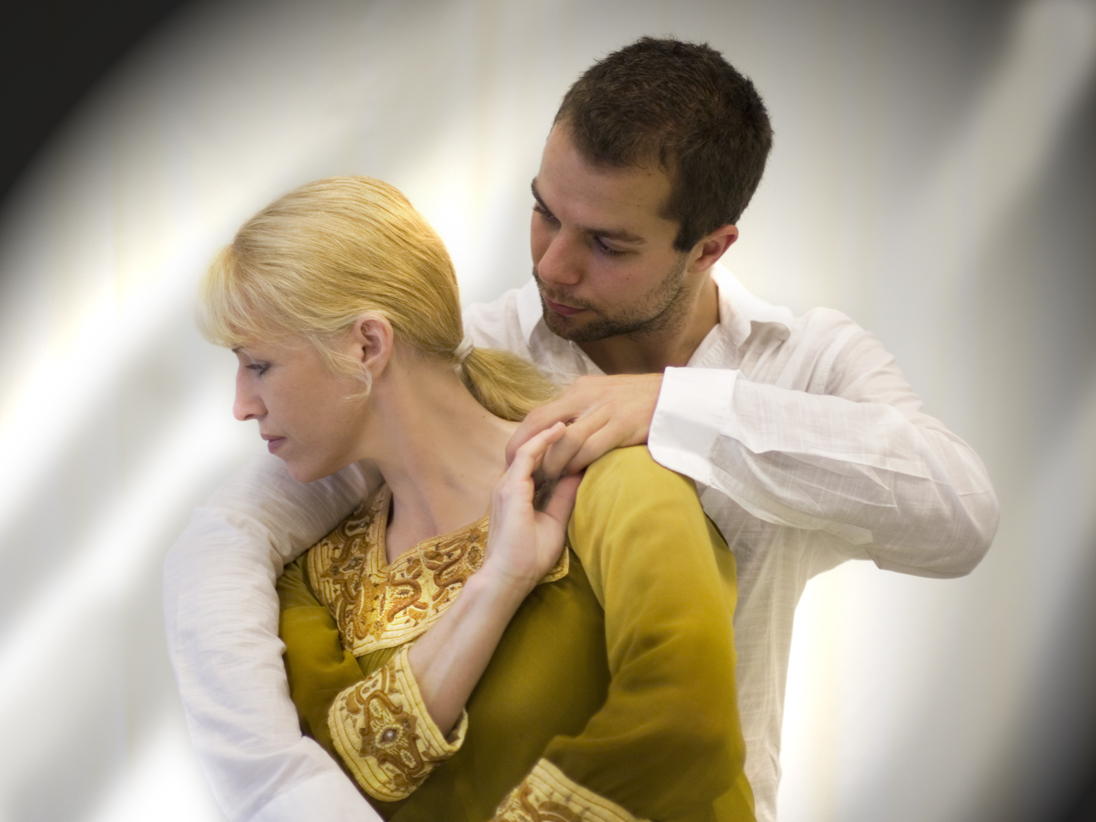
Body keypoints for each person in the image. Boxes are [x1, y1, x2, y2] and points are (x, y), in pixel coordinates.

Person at [163, 37, 999, 822]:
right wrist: (281, 784)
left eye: (606, 243)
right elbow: (234, 534)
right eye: (543, 213)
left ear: (709, 248)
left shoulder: (805, 363)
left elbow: (960, 516)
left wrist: (676, 409)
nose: (552, 265)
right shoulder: (473, 354)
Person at [194, 175, 754, 821]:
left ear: (368, 344)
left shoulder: (614, 486)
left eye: (258, 365)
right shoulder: (312, 579)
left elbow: (685, 726)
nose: (242, 405)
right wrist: (498, 584)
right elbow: (335, 793)